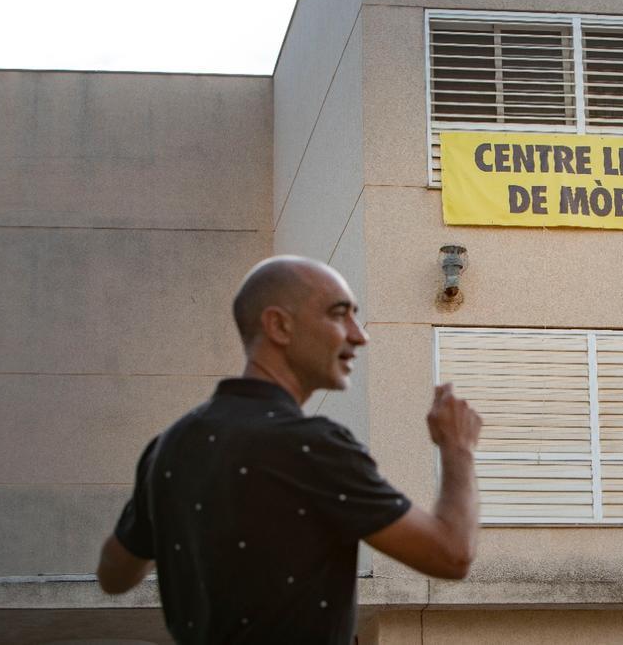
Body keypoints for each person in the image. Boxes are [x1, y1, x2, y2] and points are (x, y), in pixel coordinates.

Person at [96, 255, 483, 644]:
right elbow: (451, 555)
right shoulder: (310, 445)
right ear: (279, 325)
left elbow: (113, 575)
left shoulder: (169, 446)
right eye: (339, 315)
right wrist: (458, 448)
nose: (359, 335)